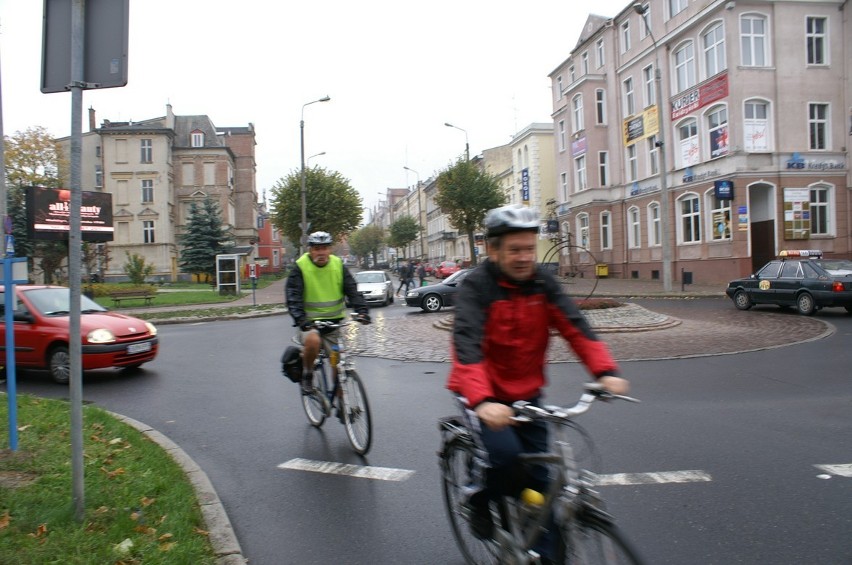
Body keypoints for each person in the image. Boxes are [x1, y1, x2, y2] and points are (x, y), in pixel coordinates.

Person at [447, 204, 628, 557]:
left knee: (543, 483)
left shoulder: (543, 283)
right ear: (493, 249)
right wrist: (483, 400)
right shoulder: (476, 288)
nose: (524, 257)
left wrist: (605, 371)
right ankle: (476, 498)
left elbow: (575, 327)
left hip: (527, 395)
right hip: (481, 395)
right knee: (505, 459)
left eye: (529, 248)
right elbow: (466, 345)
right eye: (514, 250)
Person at [286, 231, 370, 395]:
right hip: (310, 324)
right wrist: (301, 319)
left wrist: (362, 311)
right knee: (313, 340)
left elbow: (352, 290)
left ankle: (341, 405)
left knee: (338, 364)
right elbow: (293, 296)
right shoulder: (301, 267)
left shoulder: (338, 265)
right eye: (317, 249)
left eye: (324, 248)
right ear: (311, 250)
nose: (321, 252)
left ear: (329, 250)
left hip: (334, 324)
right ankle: (308, 374)